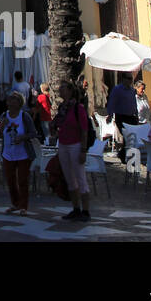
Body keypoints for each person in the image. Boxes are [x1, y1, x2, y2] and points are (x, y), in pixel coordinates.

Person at [51, 81, 92, 221]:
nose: (60, 90)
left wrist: (83, 150)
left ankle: (85, 211)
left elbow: (84, 130)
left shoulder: (78, 108)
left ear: (69, 91)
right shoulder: (62, 108)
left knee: (80, 177)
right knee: (69, 178)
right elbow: (57, 125)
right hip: (63, 144)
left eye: (62, 88)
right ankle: (76, 208)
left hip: (75, 145)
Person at [0, 92, 35, 215]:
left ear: (19, 103)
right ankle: (15, 203)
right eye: (9, 100)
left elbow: (33, 133)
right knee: (10, 179)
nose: (10, 103)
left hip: (23, 153)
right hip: (8, 152)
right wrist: (1, 127)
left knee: (23, 179)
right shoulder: (4, 115)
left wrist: (23, 137)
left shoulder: (24, 117)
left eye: (13, 100)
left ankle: (23, 205)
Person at [105, 73, 140, 157]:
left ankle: (125, 154)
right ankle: (124, 155)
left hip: (132, 117)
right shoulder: (117, 89)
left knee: (132, 137)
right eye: (128, 78)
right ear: (123, 79)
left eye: (131, 79)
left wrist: (136, 114)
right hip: (121, 117)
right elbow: (112, 102)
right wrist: (110, 114)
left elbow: (134, 103)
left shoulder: (132, 90)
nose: (130, 80)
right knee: (127, 136)